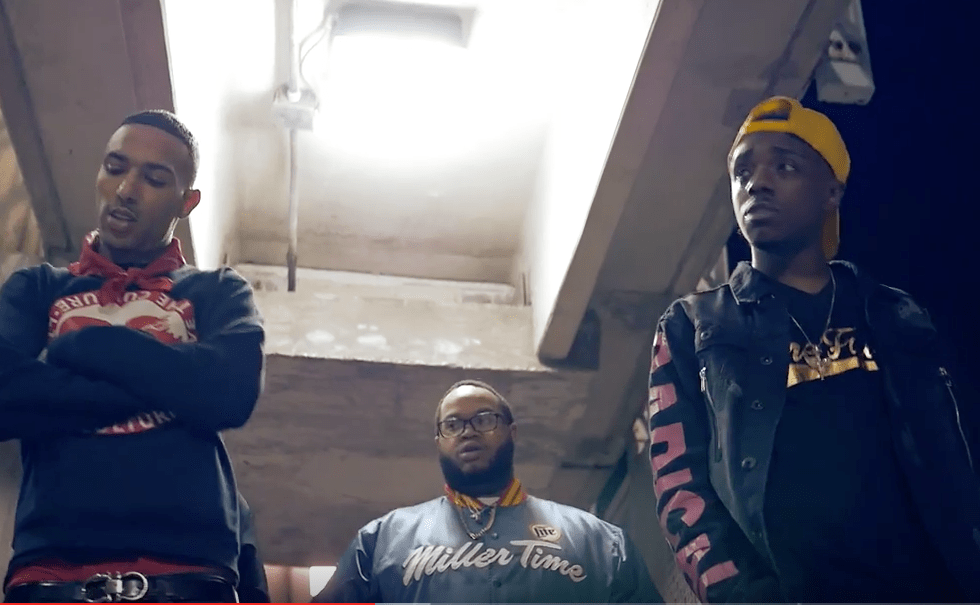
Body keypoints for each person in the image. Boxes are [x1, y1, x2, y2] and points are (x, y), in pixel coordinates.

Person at [647, 95, 980, 603]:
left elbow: (959, 450)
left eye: (785, 166)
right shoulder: (691, 327)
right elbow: (680, 490)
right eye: (742, 172)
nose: (756, 183)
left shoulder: (896, 314)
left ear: (831, 190)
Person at [0, 110, 266, 602]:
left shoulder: (217, 290)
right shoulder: (37, 287)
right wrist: (174, 384)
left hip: (189, 572)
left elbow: (231, 393)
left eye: (154, 178)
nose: (126, 189)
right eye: (115, 167)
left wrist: (84, 347)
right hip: (51, 572)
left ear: (186, 202)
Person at [314, 380, 664, 603]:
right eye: (452, 425)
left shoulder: (601, 543)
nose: (468, 432)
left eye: (483, 420)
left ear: (512, 432)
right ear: (439, 442)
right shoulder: (382, 541)